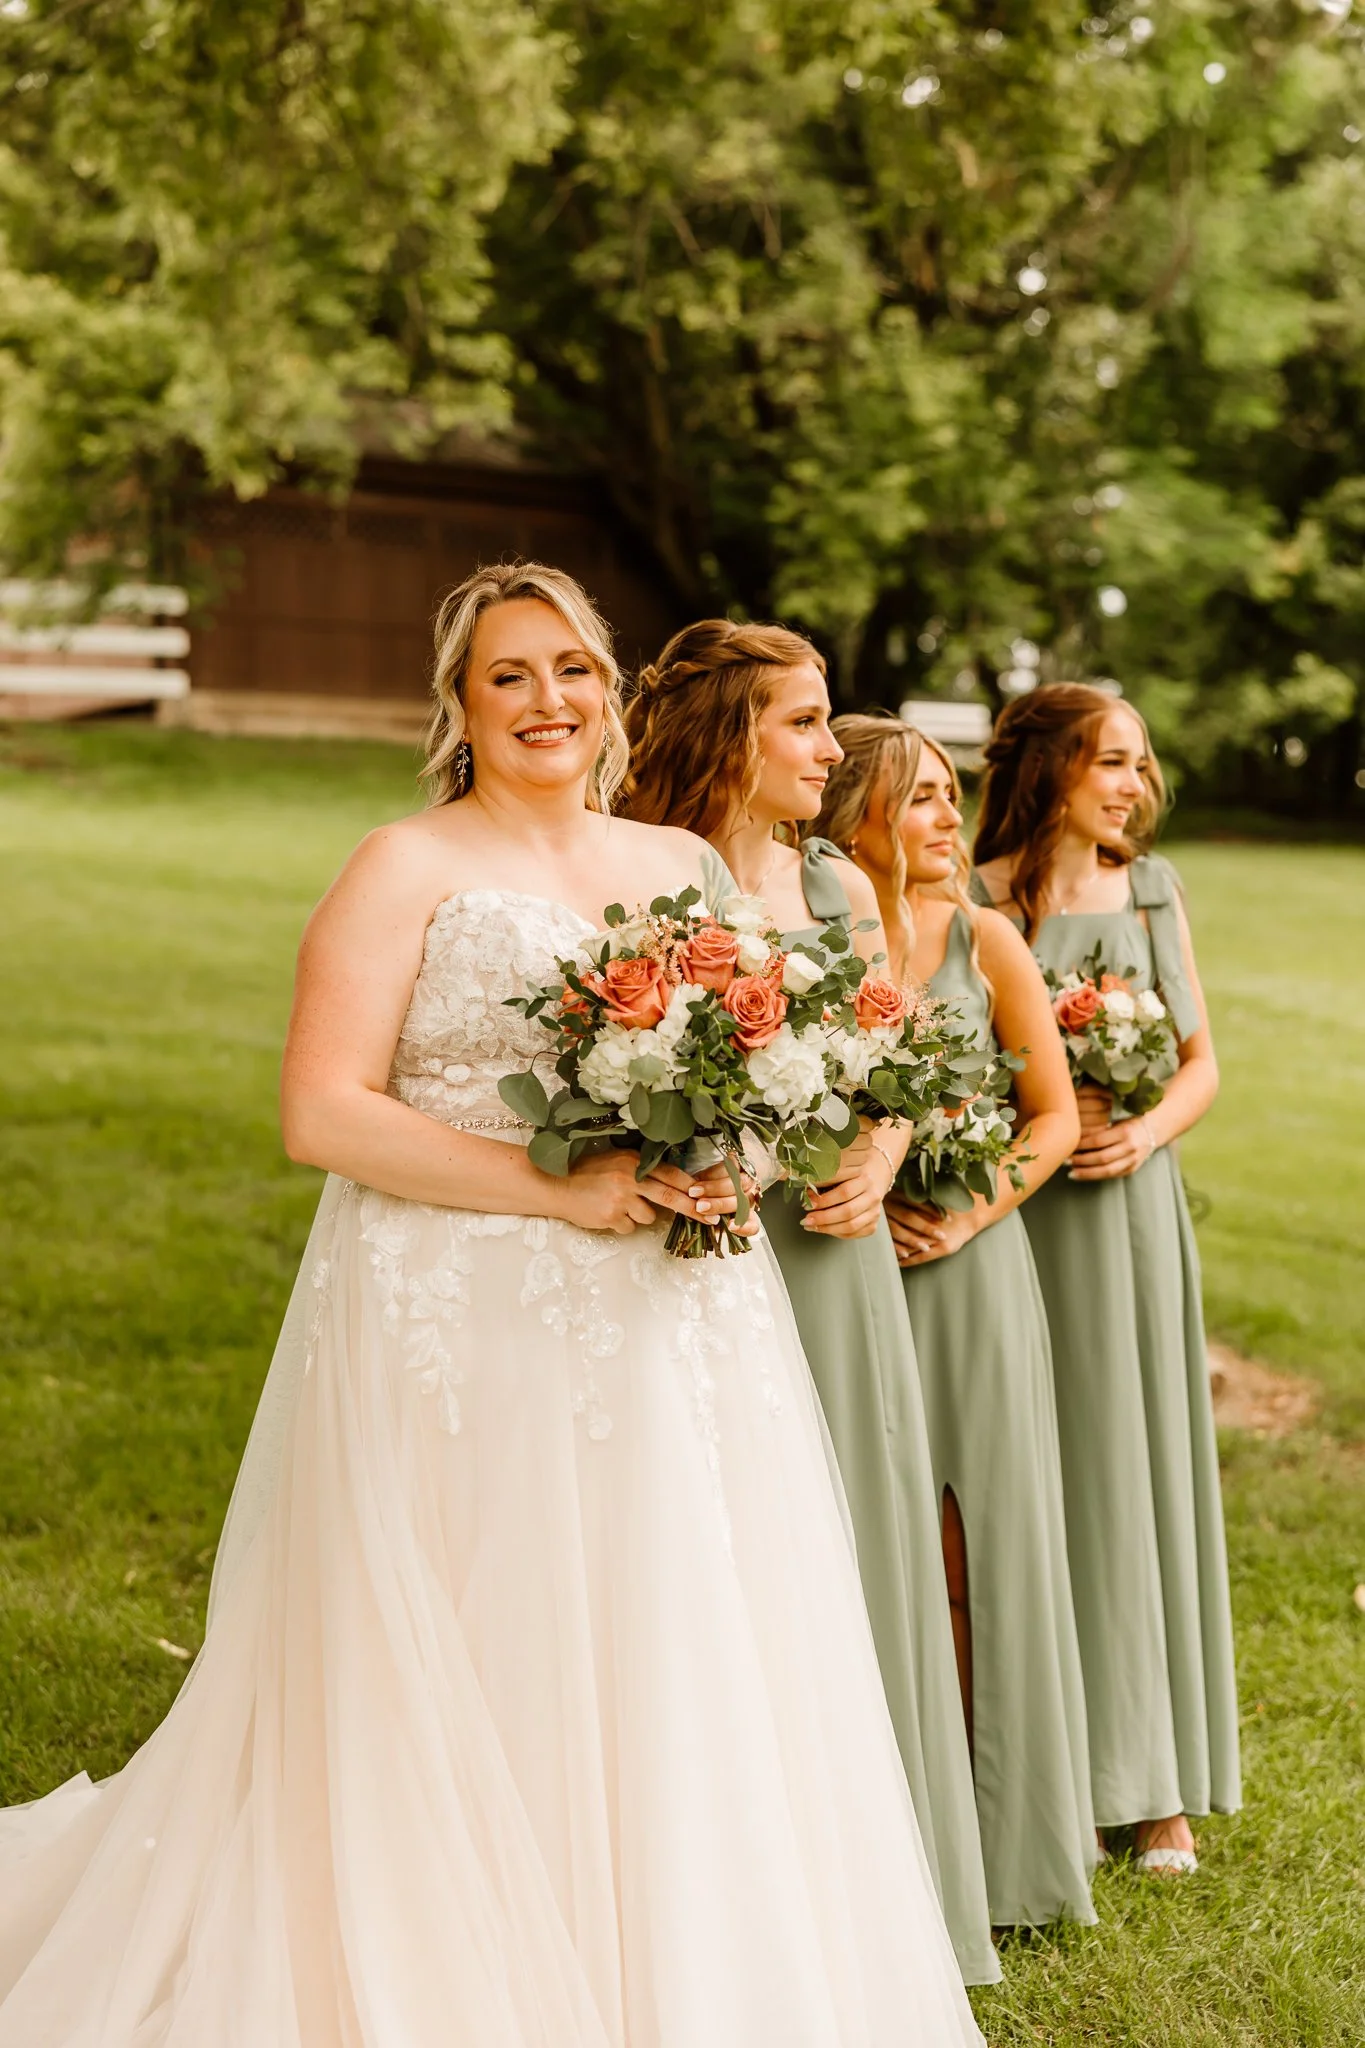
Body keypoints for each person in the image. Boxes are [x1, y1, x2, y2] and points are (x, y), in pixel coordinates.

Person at [0, 564, 985, 2047]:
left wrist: (726, 1155)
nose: (547, 702)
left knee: (673, 1622)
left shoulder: (682, 863)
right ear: (459, 702)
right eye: (509, 675)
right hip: (458, 1311)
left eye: (573, 671)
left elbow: (770, 1069)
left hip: (673, 1322)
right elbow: (321, 1114)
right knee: (482, 1620)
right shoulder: (401, 865)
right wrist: (561, 1192)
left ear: (610, 692)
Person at [623, 623, 998, 1988]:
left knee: (853, 1539)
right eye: (803, 724)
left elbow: (900, 1050)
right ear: (731, 733)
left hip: (829, 1250)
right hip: (693, 1239)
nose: (832, 752)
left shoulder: (835, 881)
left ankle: (885, 1900)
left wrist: (887, 1145)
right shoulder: (635, 863)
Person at [812, 712, 1096, 1933]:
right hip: (840, 1269)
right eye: (919, 796)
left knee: (974, 1547)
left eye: (950, 794)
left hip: (966, 1274)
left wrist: (974, 1213)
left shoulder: (985, 941)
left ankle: (999, 1846)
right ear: (857, 814)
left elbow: (1056, 1117)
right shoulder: (817, 939)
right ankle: (884, 1829)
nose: (946, 818)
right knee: (870, 1546)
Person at [972, 680, 1241, 1874]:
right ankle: (1061, 1766)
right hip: (1019, 1216)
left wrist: (1143, 1132)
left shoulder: (1152, 889)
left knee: (1137, 1466)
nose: (1132, 782)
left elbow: (1199, 1062)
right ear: (1049, 770)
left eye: (1139, 761)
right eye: (1108, 761)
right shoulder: (976, 897)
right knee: (1047, 1471)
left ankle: (1157, 1782)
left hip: (1129, 1212)